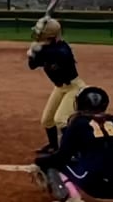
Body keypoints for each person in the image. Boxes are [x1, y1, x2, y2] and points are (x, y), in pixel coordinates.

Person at [27, 87, 113, 202]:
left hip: (97, 187)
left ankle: (69, 197)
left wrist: (40, 161)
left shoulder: (78, 123)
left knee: (52, 164)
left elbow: (62, 157)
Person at [27, 17, 84, 154]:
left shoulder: (63, 48)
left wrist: (39, 49)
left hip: (74, 88)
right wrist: (32, 54)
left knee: (61, 120)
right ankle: (54, 146)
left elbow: (59, 56)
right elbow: (32, 66)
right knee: (47, 120)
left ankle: (74, 151)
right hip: (59, 88)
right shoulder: (44, 49)